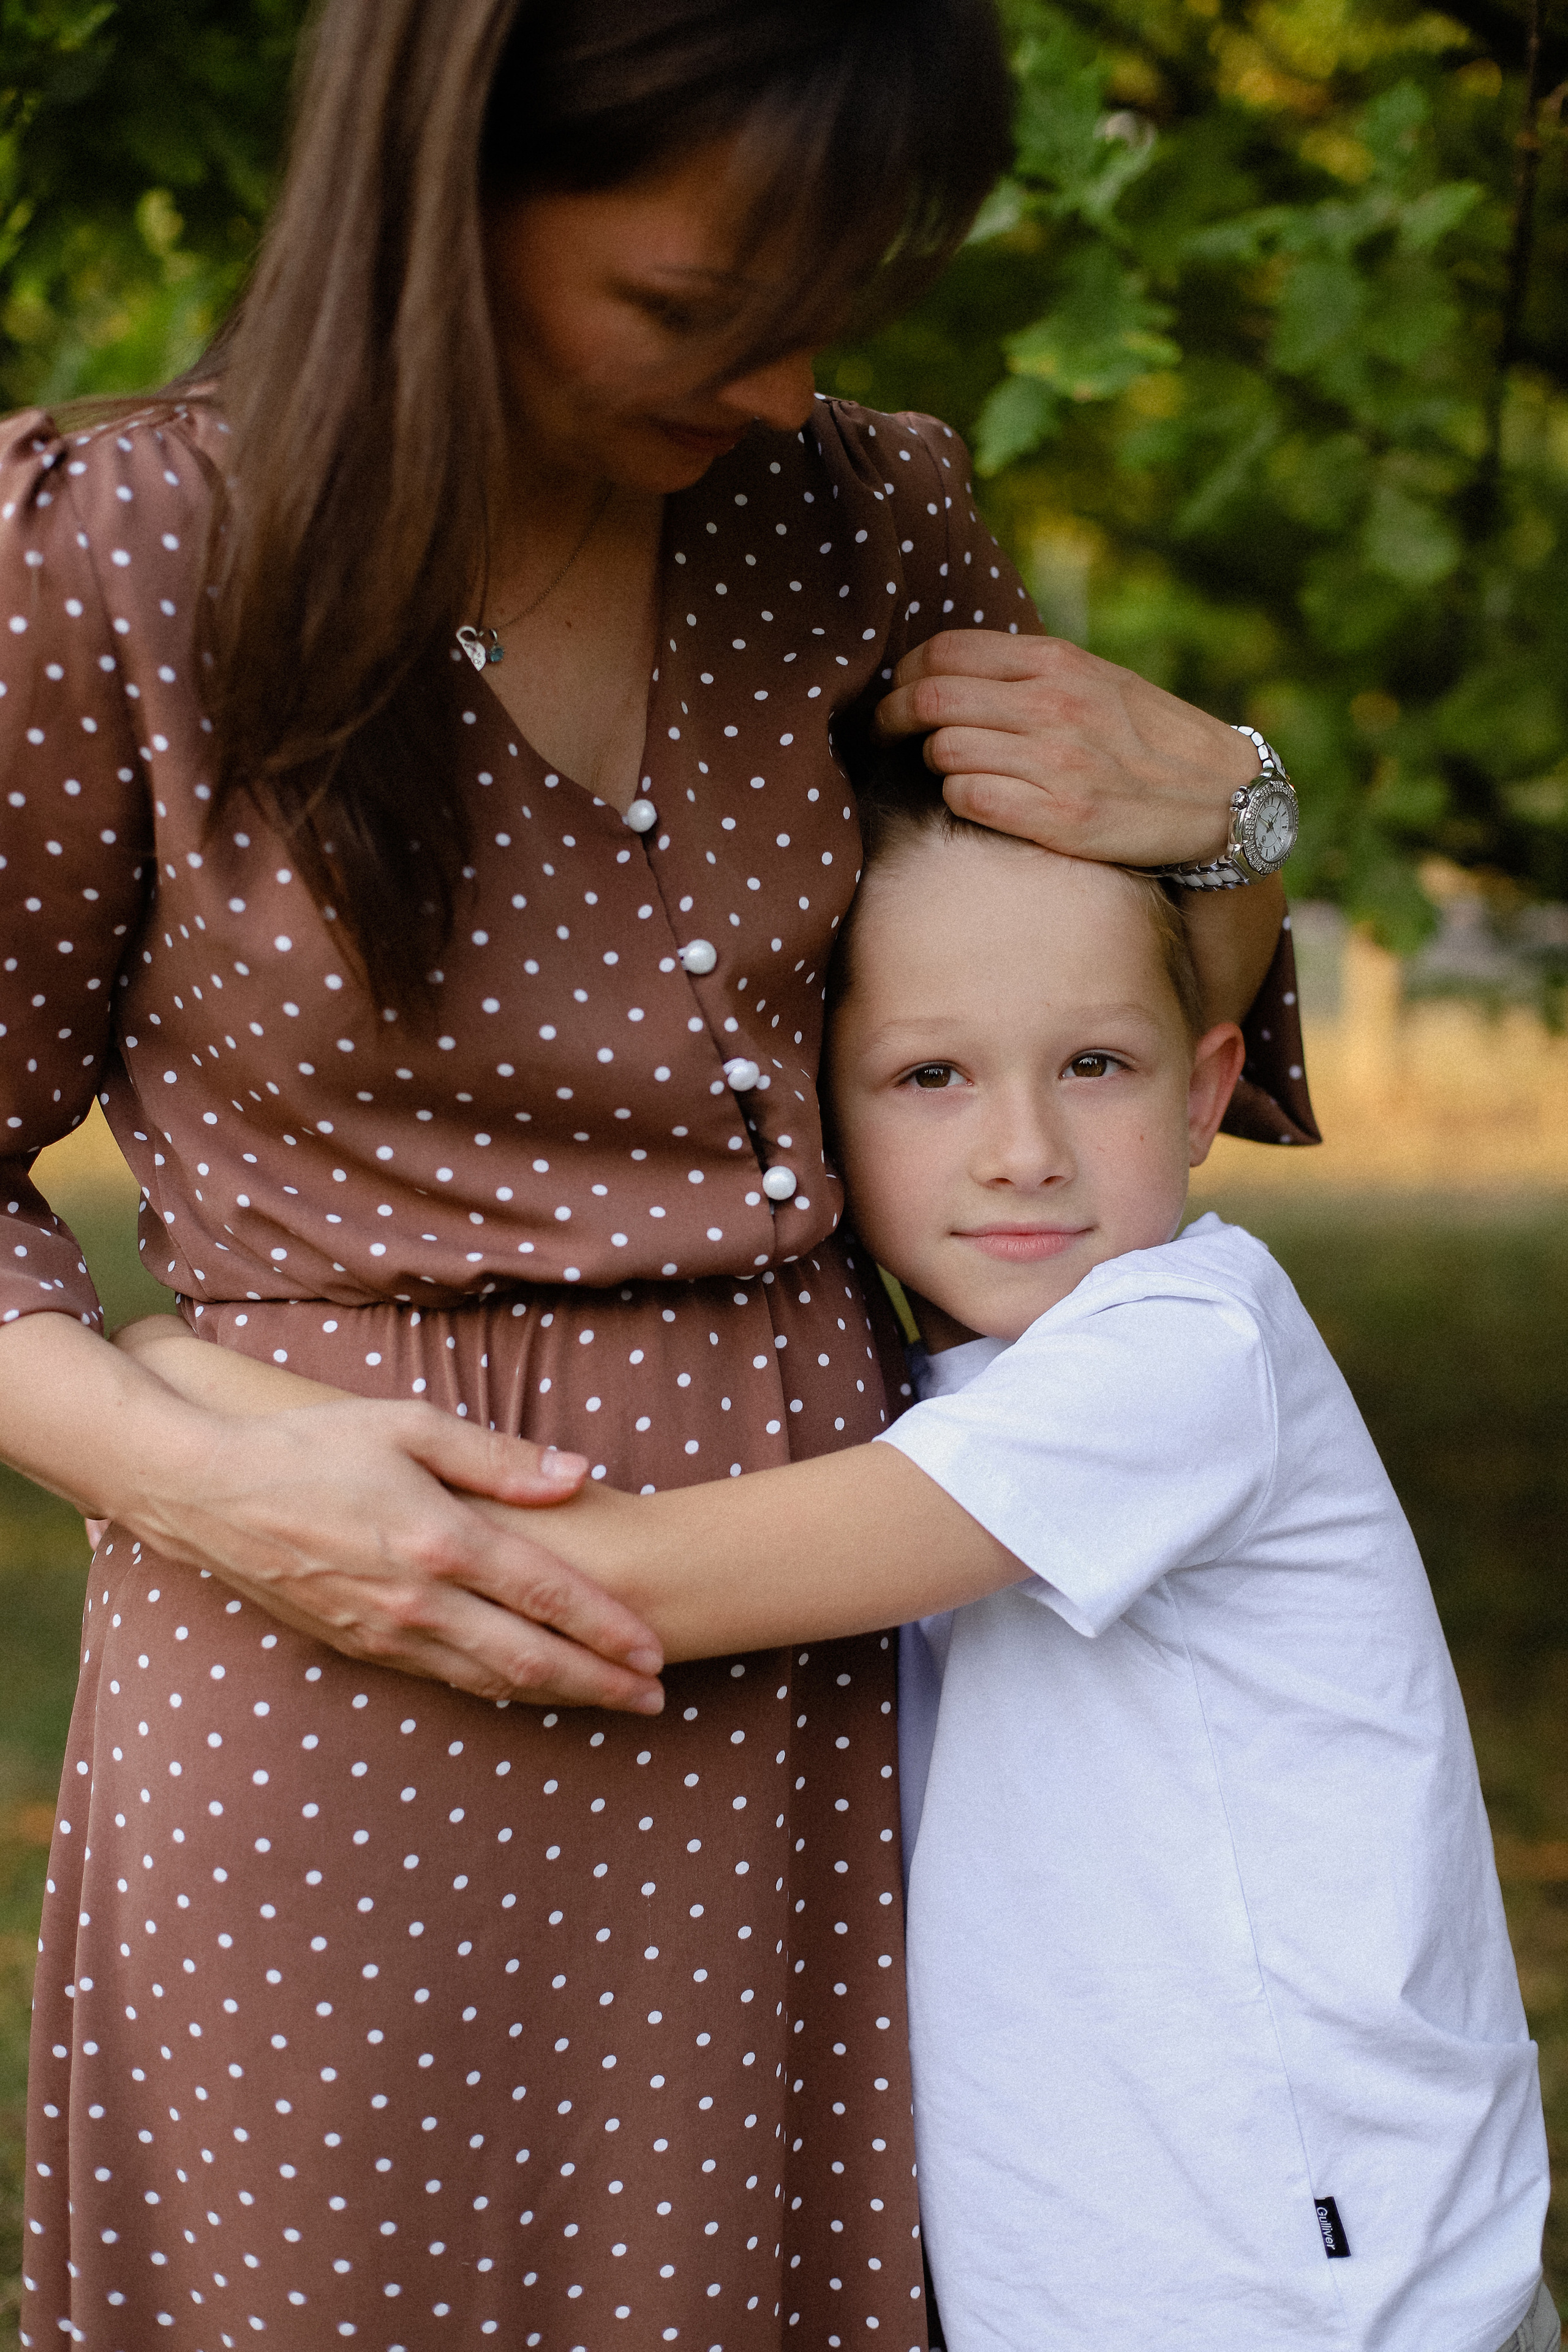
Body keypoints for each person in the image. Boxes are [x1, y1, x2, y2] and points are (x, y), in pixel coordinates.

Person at [3, 1, 1316, 2343]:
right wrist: (201, 1479)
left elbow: (1081, 1011)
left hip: (819, 1690)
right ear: (452, 184)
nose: (785, 390)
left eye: (834, 309)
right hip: (324, 1693)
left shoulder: (861, 520)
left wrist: (1236, 811)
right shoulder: (112, 555)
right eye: (702, 307)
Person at [136, 783, 1559, 2352]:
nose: (1022, 1152)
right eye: (928, 1076)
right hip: (1120, 2266)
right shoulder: (948, 1387)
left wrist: (180, 1385)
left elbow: (620, 1582)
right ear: (815, 1123)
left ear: (1203, 1088)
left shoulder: (1181, 1357)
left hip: (1311, 2286)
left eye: (1093, 1066)